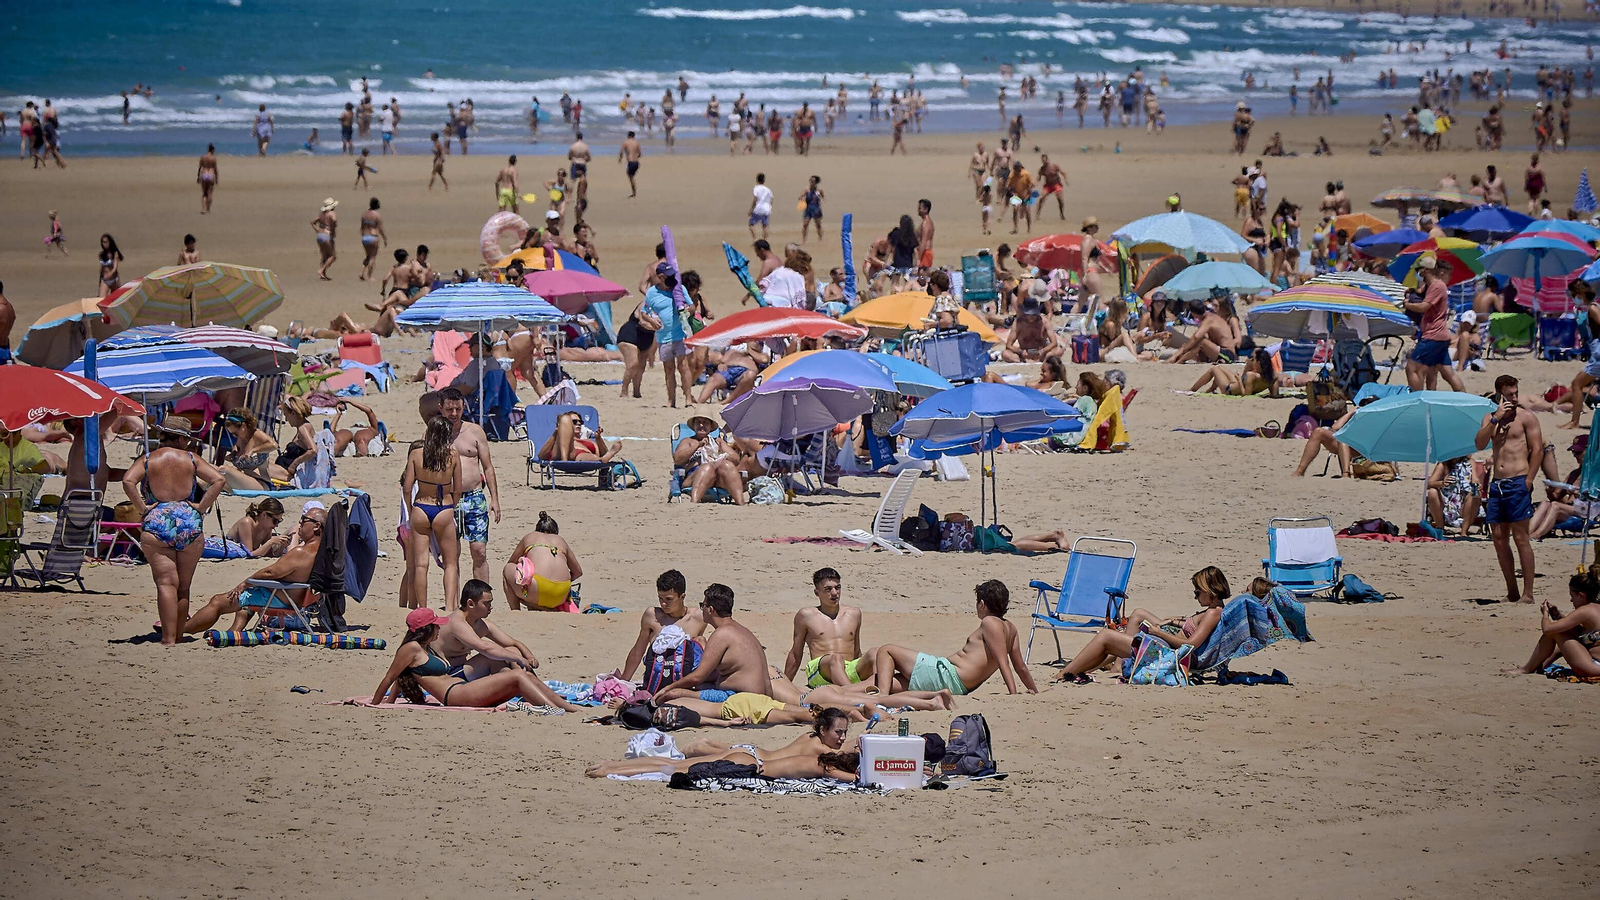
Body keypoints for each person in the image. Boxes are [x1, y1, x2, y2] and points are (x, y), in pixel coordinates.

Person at [120, 417, 226, 646]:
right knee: (184, 587)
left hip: (157, 520)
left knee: (166, 583)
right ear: (180, 439)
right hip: (189, 520)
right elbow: (218, 479)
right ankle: (178, 635)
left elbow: (128, 480)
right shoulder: (190, 459)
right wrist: (201, 507)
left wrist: (143, 509)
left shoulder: (148, 459)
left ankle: (167, 639)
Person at [367, 607, 579, 711]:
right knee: (516, 677)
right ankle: (552, 711)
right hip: (456, 694)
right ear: (425, 629)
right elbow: (391, 677)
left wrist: (392, 700)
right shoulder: (411, 648)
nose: (439, 628)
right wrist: (378, 705)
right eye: (435, 625)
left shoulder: (424, 648)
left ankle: (570, 710)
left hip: (461, 689)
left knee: (525, 678)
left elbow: (401, 680)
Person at [1055, 566, 1229, 683]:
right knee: (1134, 617)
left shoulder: (1213, 613)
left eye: (1197, 592)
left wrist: (1159, 633)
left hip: (1169, 654)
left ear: (1210, 590)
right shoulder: (1212, 611)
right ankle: (1081, 671)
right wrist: (1174, 621)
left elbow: (1190, 645)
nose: (1195, 596)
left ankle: (1064, 674)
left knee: (1105, 636)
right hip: (1168, 646)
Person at [872, 580, 1039, 696]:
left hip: (947, 676)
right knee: (884, 681)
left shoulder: (990, 623)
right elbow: (1021, 667)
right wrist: (1034, 691)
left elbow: (1004, 663)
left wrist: (1013, 693)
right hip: (956, 685)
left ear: (982, 604)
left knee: (886, 651)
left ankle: (882, 700)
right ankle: (849, 692)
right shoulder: (1011, 628)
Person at [180, 507, 325, 634]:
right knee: (251, 594)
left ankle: (182, 630)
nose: (299, 523)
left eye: (304, 520)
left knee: (218, 601)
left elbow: (270, 573)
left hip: (280, 598)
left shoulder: (302, 552)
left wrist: (245, 583)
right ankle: (235, 631)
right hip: (295, 598)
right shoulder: (322, 552)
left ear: (317, 526)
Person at [1476, 374, 1543, 603]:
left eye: (1516, 393)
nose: (1514, 398)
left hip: (1517, 481)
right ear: (1499, 395)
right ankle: (1512, 591)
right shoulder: (1491, 418)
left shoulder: (1526, 417)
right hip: (1497, 484)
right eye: (1509, 395)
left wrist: (1528, 480)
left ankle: (1528, 593)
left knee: (1521, 538)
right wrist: (1496, 418)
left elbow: (1538, 450)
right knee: (1498, 538)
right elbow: (1479, 443)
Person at [652, 584, 770, 703]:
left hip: (742, 699)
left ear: (710, 610)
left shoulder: (721, 634)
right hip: (763, 698)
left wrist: (668, 688)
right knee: (702, 687)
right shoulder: (743, 631)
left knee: (673, 695)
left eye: (702, 606)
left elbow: (697, 677)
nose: (701, 609)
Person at [402, 415, 463, 612]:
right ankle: (450, 608)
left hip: (421, 506)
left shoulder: (416, 454)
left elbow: (407, 487)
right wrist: (451, 507)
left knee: (421, 564)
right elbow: (458, 489)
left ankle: (422, 608)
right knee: (451, 563)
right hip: (443, 507)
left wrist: (410, 509)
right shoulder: (453, 455)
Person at [783, 567, 877, 690]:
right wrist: (784, 684)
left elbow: (856, 650)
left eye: (837, 588)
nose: (834, 593)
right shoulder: (806, 615)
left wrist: (863, 667)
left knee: (876, 653)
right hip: (821, 673)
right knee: (835, 658)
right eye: (828, 589)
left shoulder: (854, 614)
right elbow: (796, 653)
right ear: (817, 593)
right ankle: (853, 694)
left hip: (847, 669)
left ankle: (879, 690)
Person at [433, 579, 542, 677]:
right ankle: (519, 683)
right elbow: (485, 648)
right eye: (487, 604)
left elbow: (513, 643)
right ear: (471, 604)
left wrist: (529, 657)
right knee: (492, 657)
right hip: (448, 674)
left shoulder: (481, 624)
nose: (491, 607)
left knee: (511, 651)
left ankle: (528, 682)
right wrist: (518, 658)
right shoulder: (457, 622)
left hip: (465, 668)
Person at [615, 569, 709, 681]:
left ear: (682, 597)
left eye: (669, 599)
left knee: (701, 641)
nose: (663, 604)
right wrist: (624, 681)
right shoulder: (652, 616)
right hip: (658, 678)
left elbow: (698, 654)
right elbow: (638, 651)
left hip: (685, 680)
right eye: (660, 598)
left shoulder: (699, 618)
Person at [586, 743, 860, 781]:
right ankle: (612, 770)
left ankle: (614, 765)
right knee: (670, 770)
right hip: (748, 766)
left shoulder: (823, 756)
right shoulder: (828, 768)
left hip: (747, 755)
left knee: (675, 764)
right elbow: (858, 781)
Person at [1507, 571, 1600, 677]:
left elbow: (1547, 629)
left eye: (1572, 596)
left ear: (1581, 595)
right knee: (1565, 639)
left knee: (1555, 633)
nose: (1571, 600)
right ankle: (1539, 667)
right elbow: (1578, 631)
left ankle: (1527, 669)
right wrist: (1558, 616)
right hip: (1596, 665)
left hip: (1595, 668)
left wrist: (1545, 614)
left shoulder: (1585, 611)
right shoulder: (1596, 608)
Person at [1404, 255, 1465, 392]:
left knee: (1412, 368)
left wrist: (1407, 305)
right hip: (1440, 335)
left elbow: (1424, 307)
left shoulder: (1437, 286)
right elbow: (1423, 295)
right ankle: (1466, 400)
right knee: (1447, 373)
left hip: (1433, 336)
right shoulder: (1433, 286)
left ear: (1424, 270)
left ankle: (1417, 400)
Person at [502, 511, 584, 612]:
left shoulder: (530, 536)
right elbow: (578, 572)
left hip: (538, 590)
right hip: (561, 594)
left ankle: (516, 610)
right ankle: (545, 604)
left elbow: (512, 562)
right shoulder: (560, 540)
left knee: (507, 569)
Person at [643, 264, 696, 407]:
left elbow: (692, 306)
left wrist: (687, 311)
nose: (673, 278)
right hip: (663, 337)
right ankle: (671, 400)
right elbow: (643, 312)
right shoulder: (652, 293)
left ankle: (688, 399)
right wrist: (652, 320)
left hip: (680, 334)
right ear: (660, 277)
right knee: (669, 369)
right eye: (669, 276)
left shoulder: (679, 289)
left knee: (684, 366)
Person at [672, 415, 745, 505]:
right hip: (694, 478)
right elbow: (677, 459)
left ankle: (741, 503)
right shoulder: (687, 441)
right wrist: (697, 445)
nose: (701, 425)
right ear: (693, 426)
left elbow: (736, 459)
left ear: (710, 427)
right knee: (707, 467)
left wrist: (722, 454)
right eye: (698, 422)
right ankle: (693, 503)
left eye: (705, 423)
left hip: (717, 480)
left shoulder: (718, 441)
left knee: (727, 465)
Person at [217, 408, 281, 490]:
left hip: (260, 482)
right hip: (245, 480)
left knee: (223, 470)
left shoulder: (256, 435)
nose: (235, 436)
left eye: (235, 433)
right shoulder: (242, 438)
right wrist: (233, 454)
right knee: (213, 469)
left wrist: (253, 450)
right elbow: (237, 447)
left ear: (243, 426)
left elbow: (274, 445)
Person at [1426, 456, 1484, 538]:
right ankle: (1441, 528)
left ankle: (1464, 532)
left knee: (1475, 493)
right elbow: (1428, 484)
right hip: (1447, 504)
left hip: (1465, 503)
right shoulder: (1443, 464)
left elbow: (1475, 479)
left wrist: (1477, 484)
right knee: (1432, 492)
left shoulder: (1470, 462)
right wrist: (1442, 483)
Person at [1188, 348, 1280, 397]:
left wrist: (1240, 380)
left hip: (1229, 390)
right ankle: (1210, 390)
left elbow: (1246, 395)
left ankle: (1192, 390)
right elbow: (1274, 394)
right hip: (1236, 384)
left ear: (1259, 363)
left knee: (1214, 369)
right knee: (1220, 368)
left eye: (1253, 360)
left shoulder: (1251, 375)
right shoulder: (1273, 376)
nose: (1252, 361)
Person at [312, 198, 338, 280]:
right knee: (332, 256)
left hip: (320, 235)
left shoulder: (322, 214)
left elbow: (313, 222)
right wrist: (333, 231)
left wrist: (317, 230)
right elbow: (334, 221)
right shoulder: (332, 213)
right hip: (327, 235)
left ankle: (323, 274)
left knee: (325, 256)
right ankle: (321, 270)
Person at [1038, 153, 1066, 220]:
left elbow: (1063, 172)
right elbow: (1038, 178)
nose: (1044, 161)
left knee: (1060, 199)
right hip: (1048, 185)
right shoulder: (1042, 169)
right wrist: (1034, 184)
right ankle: (1037, 215)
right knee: (1041, 198)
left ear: (1047, 159)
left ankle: (1062, 214)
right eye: (1042, 160)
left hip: (1056, 184)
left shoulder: (1054, 166)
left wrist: (1065, 180)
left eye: (1044, 160)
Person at [748, 172, 773, 239]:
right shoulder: (768, 190)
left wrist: (751, 210)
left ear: (757, 180)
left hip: (758, 209)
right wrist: (769, 208)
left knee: (751, 224)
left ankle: (755, 239)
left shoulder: (756, 188)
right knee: (764, 226)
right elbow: (771, 200)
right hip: (766, 209)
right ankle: (764, 240)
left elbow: (755, 199)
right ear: (764, 180)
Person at [97, 234, 123, 298]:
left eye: (105, 242)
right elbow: (102, 269)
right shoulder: (102, 255)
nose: (104, 244)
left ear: (109, 242)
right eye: (102, 242)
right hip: (105, 280)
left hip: (114, 280)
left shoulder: (114, 254)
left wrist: (109, 274)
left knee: (115, 300)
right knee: (101, 299)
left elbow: (115, 268)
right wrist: (100, 281)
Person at [799, 175, 824, 242]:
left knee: (818, 225)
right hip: (808, 208)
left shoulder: (819, 190)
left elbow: (822, 197)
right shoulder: (807, 189)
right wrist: (801, 198)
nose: (811, 182)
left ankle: (820, 239)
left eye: (813, 181)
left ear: (816, 182)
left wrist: (821, 202)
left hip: (816, 208)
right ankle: (804, 240)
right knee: (805, 224)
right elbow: (801, 196)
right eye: (811, 181)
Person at [618, 131, 642, 198]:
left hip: (630, 162)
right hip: (636, 162)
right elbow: (640, 153)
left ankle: (634, 193)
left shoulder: (625, 142)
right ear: (633, 136)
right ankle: (634, 192)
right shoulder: (637, 143)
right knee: (631, 176)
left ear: (628, 136)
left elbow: (621, 152)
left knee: (631, 177)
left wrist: (620, 159)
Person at [196, 143, 218, 213]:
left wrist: (198, 177)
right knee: (210, 193)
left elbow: (200, 168)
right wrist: (217, 178)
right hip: (211, 174)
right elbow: (215, 169)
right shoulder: (213, 158)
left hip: (204, 174)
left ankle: (203, 209)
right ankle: (208, 208)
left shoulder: (203, 157)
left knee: (204, 193)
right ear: (212, 150)